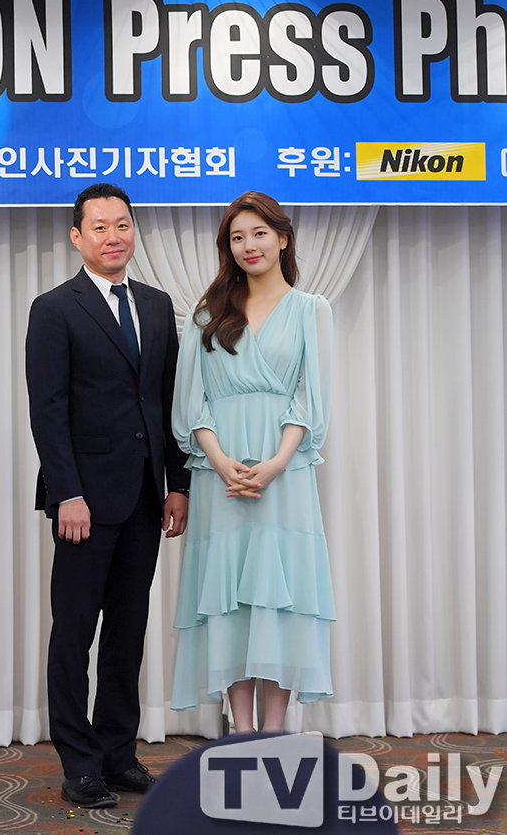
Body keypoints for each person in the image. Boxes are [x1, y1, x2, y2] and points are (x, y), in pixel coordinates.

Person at [26, 183, 189, 808]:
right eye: (100, 227)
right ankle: (80, 763)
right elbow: (48, 410)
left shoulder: (157, 304)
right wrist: (66, 493)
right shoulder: (54, 309)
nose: (113, 236)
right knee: (73, 633)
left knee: (128, 631)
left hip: (146, 497)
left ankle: (119, 753)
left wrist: (178, 484)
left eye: (122, 224)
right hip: (84, 505)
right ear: (78, 237)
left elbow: (167, 402)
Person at [170, 191, 335, 733]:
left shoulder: (312, 309)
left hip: (284, 473)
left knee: (280, 597)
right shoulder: (206, 315)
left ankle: (275, 730)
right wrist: (219, 461)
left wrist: (277, 462)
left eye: (259, 233)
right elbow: (191, 402)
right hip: (219, 475)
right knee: (229, 601)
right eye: (237, 237)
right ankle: (241, 732)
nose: (248, 246)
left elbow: (311, 398)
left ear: (282, 238)